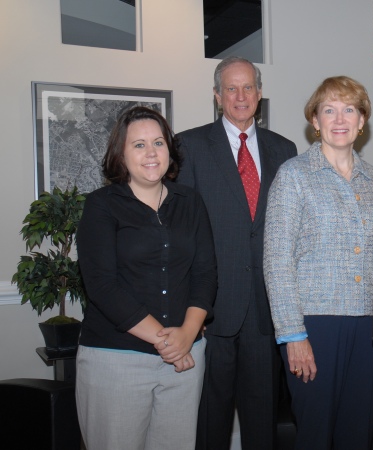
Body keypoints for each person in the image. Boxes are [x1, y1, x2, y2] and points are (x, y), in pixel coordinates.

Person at [75, 106, 217, 450]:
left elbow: (205, 273)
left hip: (186, 360)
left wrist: (186, 335)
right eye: (138, 145)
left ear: (170, 149)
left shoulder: (191, 201)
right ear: (121, 154)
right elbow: (103, 286)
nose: (151, 153)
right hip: (116, 360)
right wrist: (169, 343)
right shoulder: (101, 205)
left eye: (158, 142)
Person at [263, 76, 373, 450]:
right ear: (315, 121)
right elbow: (276, 259)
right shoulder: (293, 176)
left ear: (362, 121)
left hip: (369, 328)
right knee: (315, 434)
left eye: (349, 109)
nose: (340, 119)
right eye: (329, 110)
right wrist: (293, 334)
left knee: (358, 435)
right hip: (314, 327)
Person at [177, 56, 297, 450]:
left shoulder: (285, 150)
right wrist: (194, 307)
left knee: (262, 422)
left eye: (248, 88)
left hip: (266, 313)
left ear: (259, 95)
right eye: (231, 88)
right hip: (212, 311)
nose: (240, 96)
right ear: (217, 95)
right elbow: (184, 234)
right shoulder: (190, 147)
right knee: (210, 420)